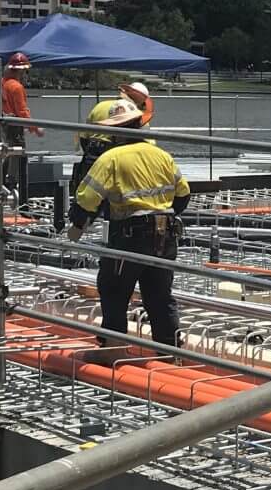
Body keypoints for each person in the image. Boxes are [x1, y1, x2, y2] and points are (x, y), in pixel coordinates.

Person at [66, 99, 190, 345]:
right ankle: (171, 353)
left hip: (129, 236)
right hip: (165, 236)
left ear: (115, 131)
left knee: (114, 290)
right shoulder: (162, 156)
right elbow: (183, 195)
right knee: (160, 297)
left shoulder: (111, 158)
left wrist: (77, 225)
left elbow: (87, 200)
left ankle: (114, 349)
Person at [53, 97, 129, 232]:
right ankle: (106, 226)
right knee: (111, 193)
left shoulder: (100, 106)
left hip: (93, 150)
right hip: (114, 152)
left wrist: (89, 153)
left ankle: (79, 226)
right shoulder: (131, 112)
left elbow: (84, 137)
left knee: (89, 189)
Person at [0, 51, 42, 195]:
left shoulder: (3, 83)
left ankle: (1, 181)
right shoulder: (16, 87)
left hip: (5, 123)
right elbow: (22, 111)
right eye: (25, 71)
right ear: (21, 71)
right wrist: (35, 128)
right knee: (18, 154)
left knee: (9, 153)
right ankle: (12, 185)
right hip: (14, 125)